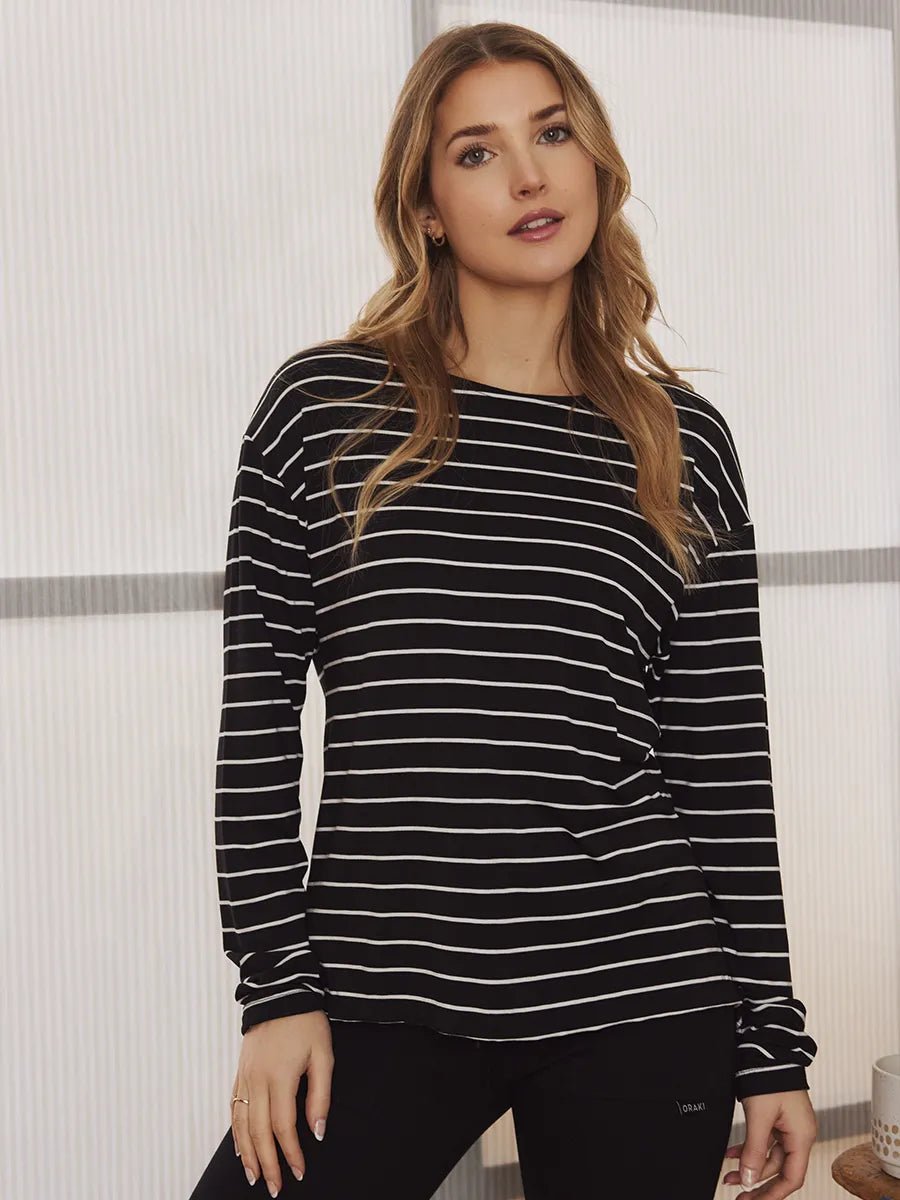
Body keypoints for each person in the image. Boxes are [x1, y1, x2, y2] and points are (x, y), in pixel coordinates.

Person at [189, 21, 818, 1200]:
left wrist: (771, 1039)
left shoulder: (682, 442)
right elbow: (259, 718)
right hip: (383, 987)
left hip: (642, 985)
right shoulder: (326, 411)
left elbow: (721, 758)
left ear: (595, 164)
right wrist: (275, 989)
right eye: (476, 152)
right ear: (426, 209)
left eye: (553, 133)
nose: (529, 176)